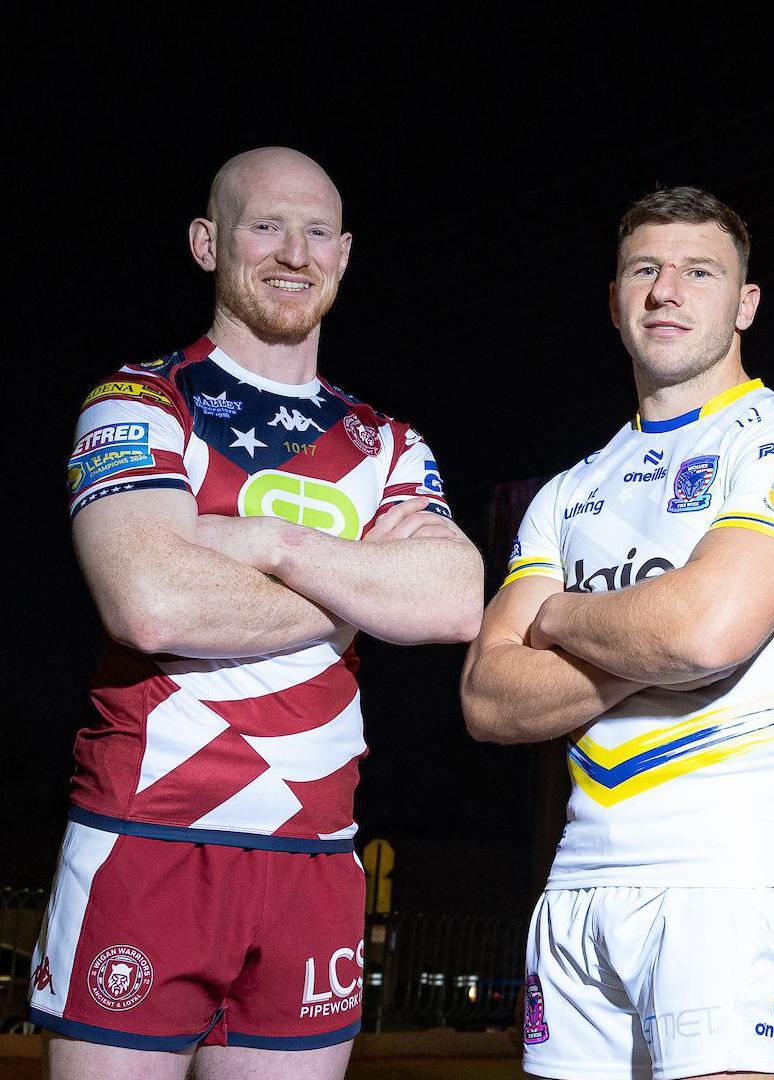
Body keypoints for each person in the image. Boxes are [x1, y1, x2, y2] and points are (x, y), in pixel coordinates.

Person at [31, 146, 483, 1079]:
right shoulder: (138, 399)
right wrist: (360, 591)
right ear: (207, 243)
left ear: (346, 254)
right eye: (264, 225)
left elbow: (451, 600)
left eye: (318, 231)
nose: (294, 251)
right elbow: (149, 604)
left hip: (316, 858)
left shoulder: (386, 440)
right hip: (148, 841)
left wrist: (268, 545)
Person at [461, 187, 774, 1080]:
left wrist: (558, 618)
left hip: (728, 875)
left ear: (745, 303)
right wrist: (651, 633)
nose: (666, 290)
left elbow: (704, 634)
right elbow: (488, 697)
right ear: (613, 299)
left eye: (699, 271)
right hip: (576, 887)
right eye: (644, 269)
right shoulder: (569, 491)